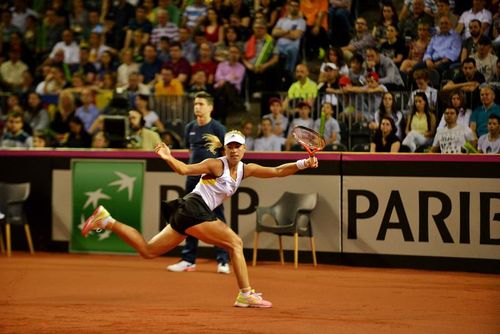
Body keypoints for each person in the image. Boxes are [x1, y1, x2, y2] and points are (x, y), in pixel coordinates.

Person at [82, 130, 319, 308]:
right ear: (225, 149)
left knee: (148, 250)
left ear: (245, 149)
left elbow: (277, 171)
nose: (234, 150)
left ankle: (107, 220)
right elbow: (184, 170)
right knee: (234, 243)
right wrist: (167, 156)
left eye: (238, 147)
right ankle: (245, 294)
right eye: (230, 147)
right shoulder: (215, 164)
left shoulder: (246, 169)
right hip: (194, 208)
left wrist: (303, 163)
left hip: (188, 211)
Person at [167, 91, 230, 274]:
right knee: (188, 217)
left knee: (217, 219)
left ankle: (223, 260)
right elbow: (190, 151)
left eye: (201, 104)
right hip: (192, 180)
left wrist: (223, 182)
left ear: (210, 107)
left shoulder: (218, 128)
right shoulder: (190, 127)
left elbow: (225, 157)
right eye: (195, 104)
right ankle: (188, 260)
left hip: (212, 182)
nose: (197, 107)